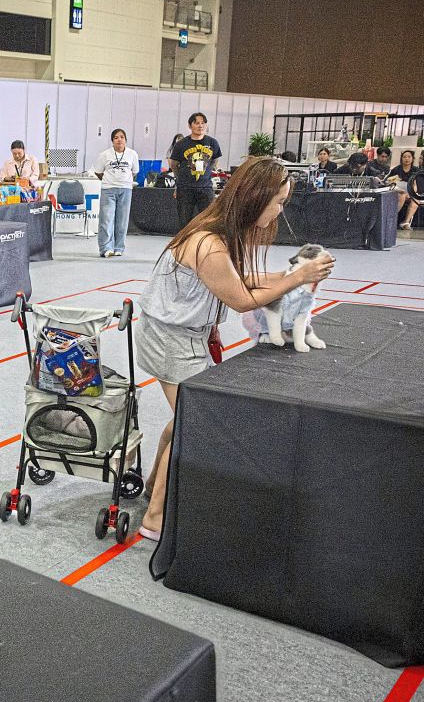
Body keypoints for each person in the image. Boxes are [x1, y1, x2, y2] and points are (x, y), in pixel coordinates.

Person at [136, 157, 334, 540]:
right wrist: (298, 278)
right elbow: (242, 298)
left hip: (181, 334)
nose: (281, 209)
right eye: (278, 201)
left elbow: (238, 278)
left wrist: (293, 275)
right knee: (193, 422)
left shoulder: (223, 231)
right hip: (171, 339)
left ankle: (151, 488)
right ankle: (155, 516)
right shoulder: (209, 242)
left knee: (184, 417)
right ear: (256, 198)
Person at [90, 128, 139, 258]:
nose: (119, 140)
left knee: (122, 220)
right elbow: (98, 171)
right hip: (108, 189)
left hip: (126, 189)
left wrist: (125, 181)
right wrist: (109, 181)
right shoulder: (105, 155)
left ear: (125, 140)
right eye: (116, 137)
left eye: (122, 137)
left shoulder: (132, 154)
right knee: (106, 219)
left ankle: (119, 247)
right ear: (112, 141)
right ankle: (105, 248)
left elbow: (134, 171)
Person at [169, 112, 222, 227]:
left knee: (207, 222)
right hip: (185, 188)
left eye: (203, 123)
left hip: (205, 188)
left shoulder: (212, 143)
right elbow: (173, 164)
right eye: (197, 123)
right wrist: (180, 180)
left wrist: (207, 170)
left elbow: (215, 160)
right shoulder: (181, 144)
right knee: (184, 222)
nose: (200, 126)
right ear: (190, 126)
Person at [389, 150, 418, 229]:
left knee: (416, 200)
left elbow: (415, 185)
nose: (407, 159)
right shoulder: (396, 170)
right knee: (402, 195)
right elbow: (391, 184)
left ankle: (405, 222)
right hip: (397, 192)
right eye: (404, 157)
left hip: (410, 193)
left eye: (409, 157)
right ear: (401, 158)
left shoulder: (415, 170)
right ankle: (390, 218)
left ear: (412, 159)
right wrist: (399, 190)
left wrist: (411, 194)